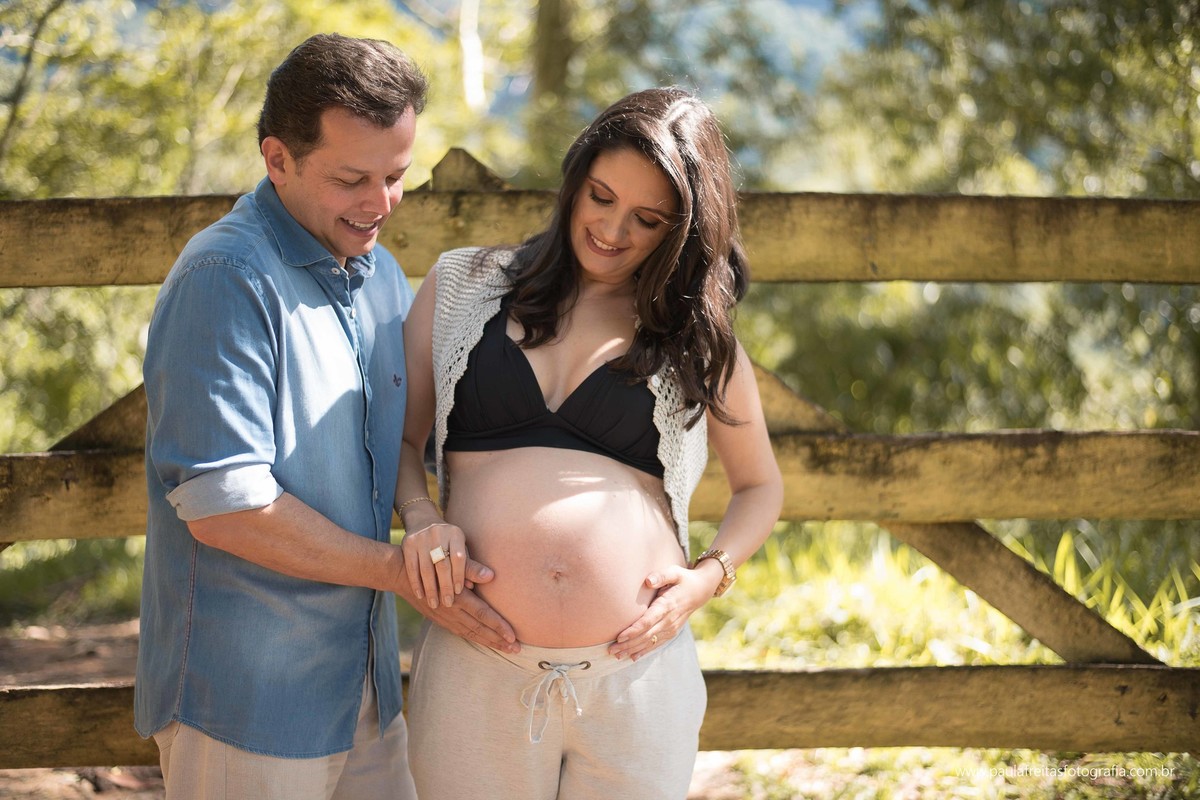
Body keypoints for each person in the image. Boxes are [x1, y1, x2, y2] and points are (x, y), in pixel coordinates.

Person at [134, 33, 515, 800]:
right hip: (248, 699)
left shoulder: (379, 276)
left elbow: (401, 440)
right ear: (278, 159)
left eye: (396, 176)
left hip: (366, 689)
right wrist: (402, 574)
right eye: (352, 179)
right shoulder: (224, 277)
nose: (380, 204)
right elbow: (226, 508)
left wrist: (421, 512)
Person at [395, 87, 785, 799]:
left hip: (635, 682)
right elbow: (399, 441)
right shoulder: (462, 286)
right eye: (600, 197)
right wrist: (421, 521)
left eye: (647, 219)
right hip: (475, 666)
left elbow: (761, 485)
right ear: (575, 180)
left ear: (682, 230)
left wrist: (706, 579)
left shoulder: (694, 338)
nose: (612, 230)